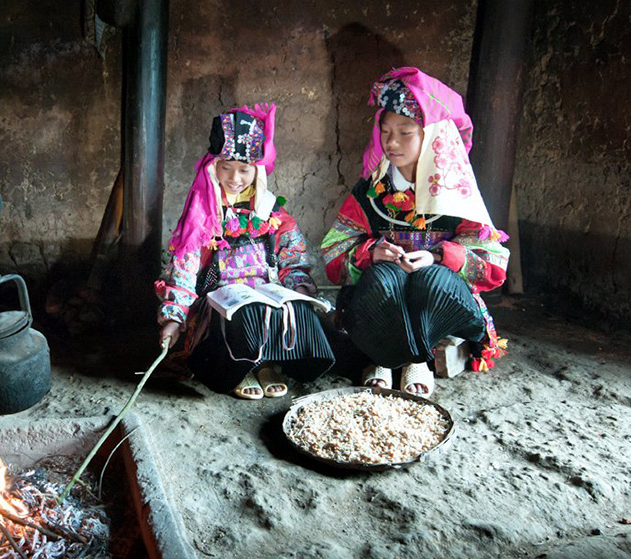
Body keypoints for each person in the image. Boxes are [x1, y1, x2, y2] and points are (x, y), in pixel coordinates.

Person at [321, 67, 509, 396]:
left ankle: (417, 359)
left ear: (432, 136)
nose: (391, 142)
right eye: (385, 130)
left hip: (436, 301)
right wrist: (370, 254)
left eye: (406, 132)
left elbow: (493, 263)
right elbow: (334, 252)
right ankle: (384, 356)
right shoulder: (370, 192)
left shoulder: (457, 193)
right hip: (382, 301)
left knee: (429, 279)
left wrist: (439, 257)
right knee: (384, 276)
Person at [156, 103, 334, 399]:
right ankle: (243, 368)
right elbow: (184, 268)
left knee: (291, 308)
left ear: (258, 170)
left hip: (265, 293)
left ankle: (267, 365)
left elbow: (292, 257)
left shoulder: (270, 211)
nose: (235, 178)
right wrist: (174, 318)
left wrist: (300, 287)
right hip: (219, 299)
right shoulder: (202, 216)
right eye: (226, 167)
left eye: (244, 170)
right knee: (241, 314)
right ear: (213, 166)